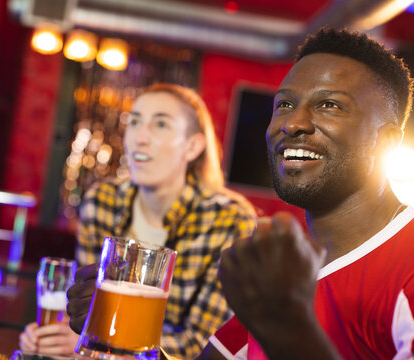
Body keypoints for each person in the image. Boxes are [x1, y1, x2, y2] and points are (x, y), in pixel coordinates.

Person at [199, 27, 414, 359]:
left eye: (328, 105)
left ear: (386, 142)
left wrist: (286, 325)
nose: (292, 123)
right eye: (284, 104)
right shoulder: (295, 270)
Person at [20, 83, 257, 358]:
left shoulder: (229, 218)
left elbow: (204, 345)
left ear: (192, 146)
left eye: (160, 125)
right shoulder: (102, 201)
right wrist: (57, 336)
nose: (139, 137)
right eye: (134, 121)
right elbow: (90, 309)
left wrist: (106, 342)